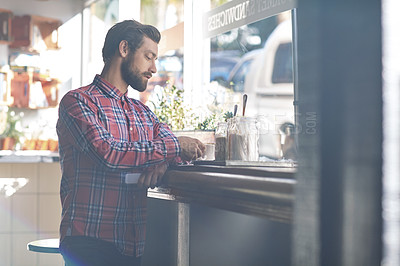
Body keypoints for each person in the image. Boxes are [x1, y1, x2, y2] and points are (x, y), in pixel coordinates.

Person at [56, 19, 205, 266]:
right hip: (89, 244)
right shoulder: (78, 102)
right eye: (149, 57)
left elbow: (167, 138)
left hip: (132, 244)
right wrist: (174, 148)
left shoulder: (141, 111)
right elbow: (108, 153)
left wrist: (163, 163)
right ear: (124, 49)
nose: (154, 68)